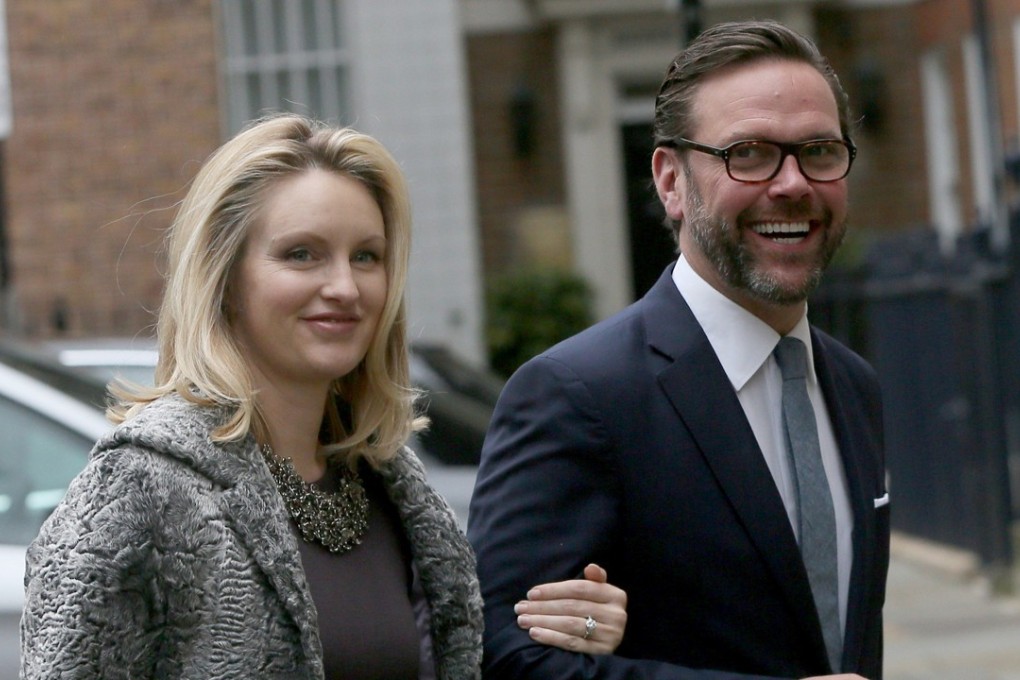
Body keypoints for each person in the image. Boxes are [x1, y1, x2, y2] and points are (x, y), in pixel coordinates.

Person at [20, 114, 627, 679]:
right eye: (301, 254)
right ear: (225, 279)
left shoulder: (395, 489)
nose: (344, 286)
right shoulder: (140, 487)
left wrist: (571, 629)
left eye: (366, 256)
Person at [468, 20, 889, 680]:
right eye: (748, 153)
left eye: (819, 150)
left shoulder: (854, 386)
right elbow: (500, 658)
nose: (793, 183)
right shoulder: (578, 396)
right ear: (670, 181)